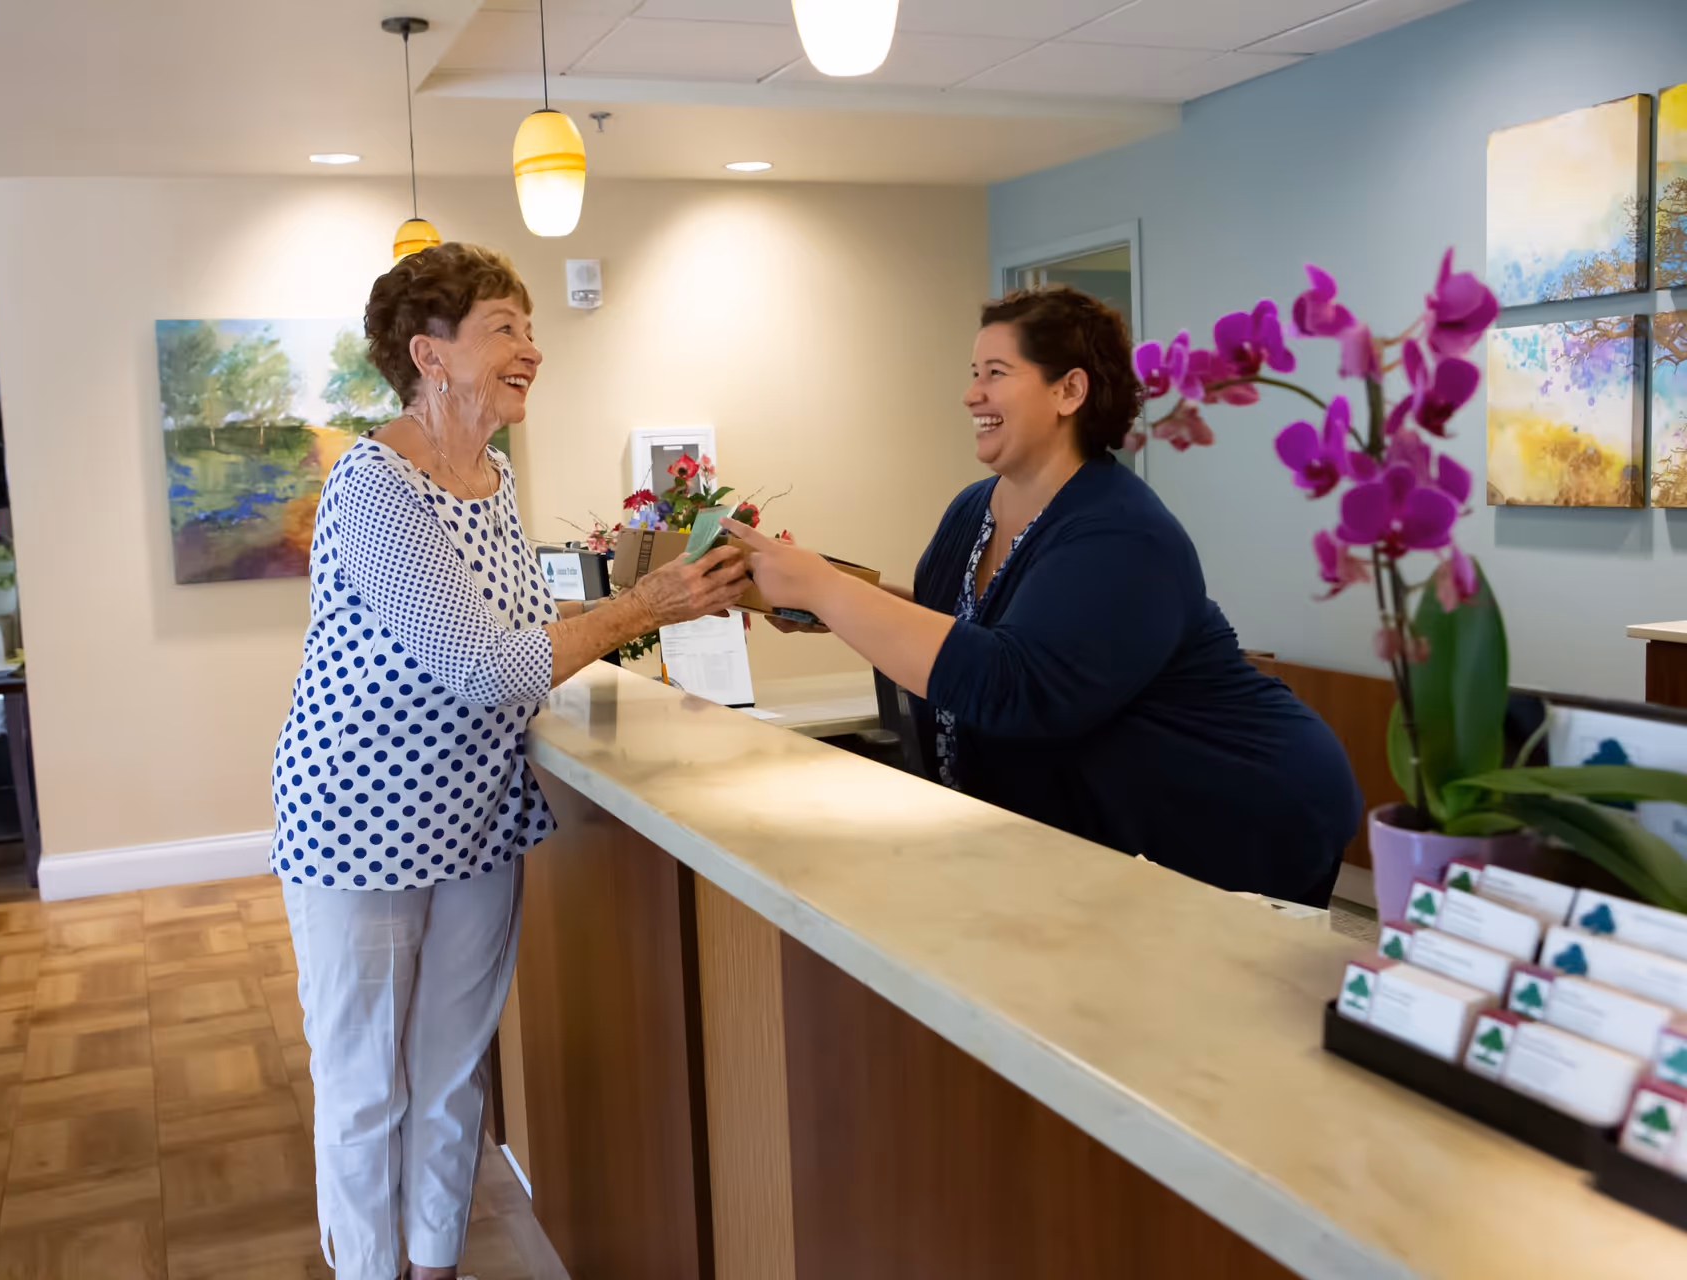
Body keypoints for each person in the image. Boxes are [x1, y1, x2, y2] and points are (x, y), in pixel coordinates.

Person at [270, 242, 747, 1280]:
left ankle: (435, 1264)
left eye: (529, 329)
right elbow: (483, 667)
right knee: (365, 1087)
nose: (532, 348)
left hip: (477, 810)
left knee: (449, 1080)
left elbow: (522, 626)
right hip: (357, 817)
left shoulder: (493, 476)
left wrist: (659, 595)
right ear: (427, 354)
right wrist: (640, 608)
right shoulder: (375, 483)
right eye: (504, 328)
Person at [725, 287, 1360, 905]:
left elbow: (1014, 683)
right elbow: (957, 624)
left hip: (1239, 809)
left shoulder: (1123, 532)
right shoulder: (973, 509)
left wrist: (831, 591)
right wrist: (832, 604)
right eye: (974, 372)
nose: (971, 393)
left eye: (995, 373)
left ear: (1069, 390)